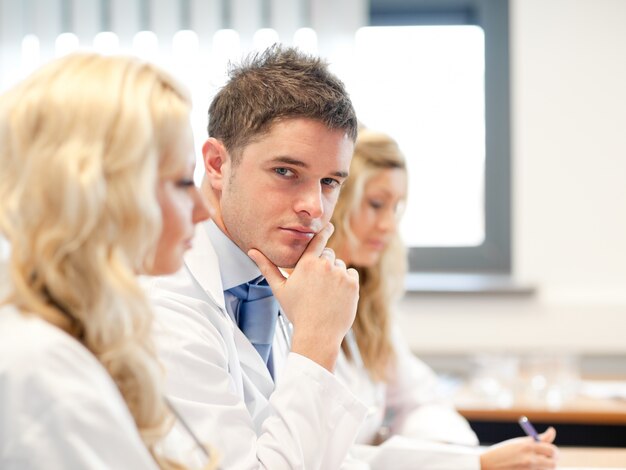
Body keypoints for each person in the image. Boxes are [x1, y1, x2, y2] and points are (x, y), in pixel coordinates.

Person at [144, 44, 367, 469]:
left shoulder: (280, 284)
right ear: (215, 164)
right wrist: (317, 342)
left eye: (329, 182)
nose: (314, 207)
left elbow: (329, 456)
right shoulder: (165, 305)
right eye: (286, 172)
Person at [0, 53, 216, 469]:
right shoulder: (43, 374)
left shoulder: (78, 335)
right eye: (182, 181)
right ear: (101, 190)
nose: (202, 209)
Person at [328, 128, 559, 469]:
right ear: (336, 200)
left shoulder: (368, 304)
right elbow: (328, 457)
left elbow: (420, 399)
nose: (389, 226)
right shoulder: (292, 306)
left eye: (396, 209)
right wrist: (473, 464)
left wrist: (456, 452)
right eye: (376, 204)